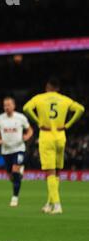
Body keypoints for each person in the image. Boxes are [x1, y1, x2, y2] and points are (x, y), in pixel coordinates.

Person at [23, 77, 85, 214]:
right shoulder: (64, 99)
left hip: (46, 135)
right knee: (57, 171)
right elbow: (80, 109)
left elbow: (26, 108)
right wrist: (68, 124)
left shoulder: (39, 98)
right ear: (58, 88)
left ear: (47, 87)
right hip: (60, 135)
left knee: (49, 172)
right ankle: (50, 203)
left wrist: (38, 121)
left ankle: (57, 205)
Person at [0, 97, 33, 207]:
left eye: (9, 105)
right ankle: (19, 175)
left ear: (14, 106)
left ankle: (15, 198)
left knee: (15, 170)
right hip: (6, 150)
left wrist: (27, 136)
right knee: (11, 176)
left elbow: (30, 130)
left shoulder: (21, 117)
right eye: (5, 105)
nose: (7, 107)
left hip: (19, 149)